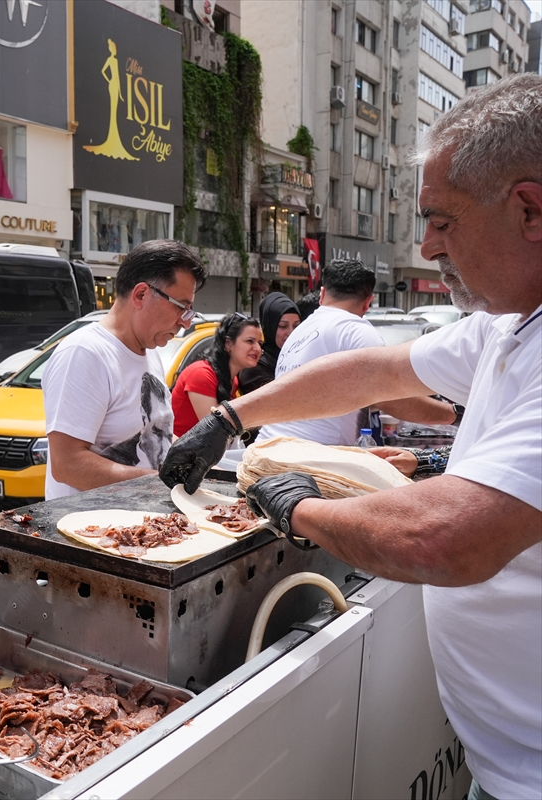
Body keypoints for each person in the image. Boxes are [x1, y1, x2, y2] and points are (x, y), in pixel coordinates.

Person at [160, 74, 542, 800]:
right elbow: (366, 371)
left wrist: (295, 507)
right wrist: (230, 419)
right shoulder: (507, 324)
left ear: (529, 210)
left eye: (442, 220)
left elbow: (446, 539)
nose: (426, 245)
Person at [43, 239, 206, 499]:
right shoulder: (85, 353)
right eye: (181, 307)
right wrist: (159, 484)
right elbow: (67, 465)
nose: (184, 323)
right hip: (92, 532)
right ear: (141, 294)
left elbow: (154, 433)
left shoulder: (149, 351)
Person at [255, 258, 456, 446]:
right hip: (311, 458)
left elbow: (342, 394)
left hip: (269, 446)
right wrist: (454, 415)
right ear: (369, 301)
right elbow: (389, 399)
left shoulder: (301, 331)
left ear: (323, 294)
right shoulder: (356, 331)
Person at [171, 313, 261, 437]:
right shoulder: (201, 374)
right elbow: (215, 432)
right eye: (250, 341)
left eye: (259, 343)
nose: (257, 348)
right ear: (228, 344)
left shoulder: (232, 379)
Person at [237, 292, 299, 394]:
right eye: (283, 326)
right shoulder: (254, 366)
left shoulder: (302, 356)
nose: (291, 332)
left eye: (296, 326)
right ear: (270, 327)